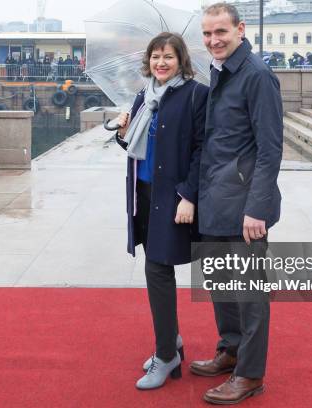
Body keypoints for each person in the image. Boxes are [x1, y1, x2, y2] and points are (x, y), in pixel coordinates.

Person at [190, 3, 283, 405]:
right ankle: (230, 349)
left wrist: (257, 207)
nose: (214, 41)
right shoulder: (218, 72)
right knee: (220, 284)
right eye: (208, 34)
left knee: (250, 293)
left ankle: (250, 373)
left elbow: (270, 148)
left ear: (240, 29)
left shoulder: (257, 76)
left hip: (245, 204)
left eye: (221, 32)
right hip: (214, 197)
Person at [115, 31, 208, 390]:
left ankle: (167, 353)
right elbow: (132, 145)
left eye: (168, 56)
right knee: (157, 268)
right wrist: (124, 129)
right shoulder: (144, 95)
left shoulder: (196, 95)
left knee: (157, 269)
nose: (161, 63)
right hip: (143, 192)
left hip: (172, 196)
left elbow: (203, 150)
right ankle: (172, 341)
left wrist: (189, 195)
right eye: (155, 56)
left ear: (181, 60)